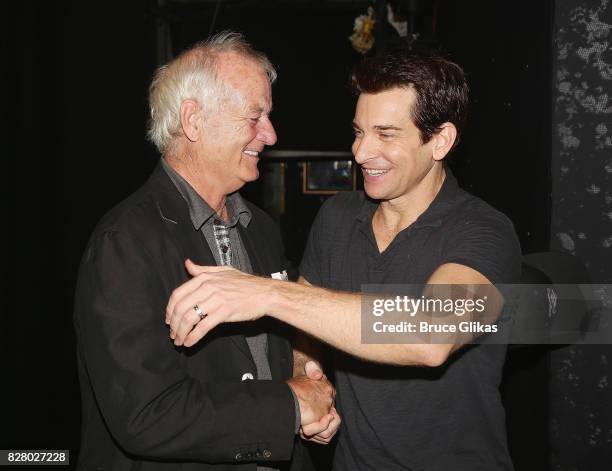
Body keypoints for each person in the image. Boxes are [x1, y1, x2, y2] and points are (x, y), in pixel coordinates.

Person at [166, 50, 522, 470]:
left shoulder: (484, 231)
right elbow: (308, 328)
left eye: (386, 134)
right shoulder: (337, 218)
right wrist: (310, 378)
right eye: (358, 132)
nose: (361, 152)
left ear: (440, 140)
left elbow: (431, 335)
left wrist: (269, 294)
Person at [73, 31, 338, 471]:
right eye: (255, 117)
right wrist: (289, 407)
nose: (270, 135)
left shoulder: (260, 228)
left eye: (268, 116)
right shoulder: (125, 242)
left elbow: (284, 335)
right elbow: (147, 415)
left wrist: (307, 375)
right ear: (193, 121)